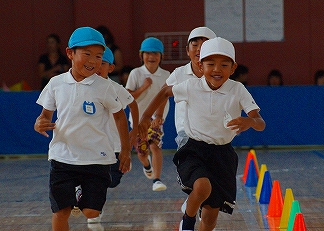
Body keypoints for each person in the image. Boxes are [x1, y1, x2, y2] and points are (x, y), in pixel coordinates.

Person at [138, 37, 266, 231]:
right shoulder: (191, 87)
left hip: (223, 155)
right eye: (210, 64)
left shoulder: (237, 90)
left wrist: (249, 121)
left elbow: (260, 123)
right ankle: (187, 222)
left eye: (224, 65)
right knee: (202, 187)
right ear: (200, 65)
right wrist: (146, 116)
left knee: (210, 215)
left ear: (233, 68)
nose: (217, 69)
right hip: (194, 149)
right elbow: (165, 92)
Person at [34, 27, 131, 231]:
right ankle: (72, 197)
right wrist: (39, 123)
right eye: (87, 54)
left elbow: (120, 116)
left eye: (98, 56)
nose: (93, 61)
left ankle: (79, 195)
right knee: (61, 211)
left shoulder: (104, 86)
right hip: (63, 157)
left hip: (96, 158)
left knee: (91, 212)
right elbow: (44, 116)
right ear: (70, 53)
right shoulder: (56, 83)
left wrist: (125, 150)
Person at [85, 48, 138, 224]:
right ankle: (94, 208)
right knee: (95, 178)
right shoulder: (86, 87)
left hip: (115, 145)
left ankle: (91, 199)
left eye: (103, 63)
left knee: (112, 181)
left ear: (111, 67)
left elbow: (133, 104)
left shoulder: (116, 89)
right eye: (96, 63)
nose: (98, 67)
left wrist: (135, 129)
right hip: (94, 145)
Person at [125, 37, 170, 192]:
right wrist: (143, 87)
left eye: (156, 53)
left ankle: (156, 179)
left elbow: (166, 97)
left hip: (156, 119)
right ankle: (146, 165)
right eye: (148, 53)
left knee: (155, 146)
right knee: (142, 151)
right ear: (141, 55)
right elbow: (128, 97)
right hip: (137, 119)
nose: (151, 57)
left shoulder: (166, 75)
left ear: (161, 56)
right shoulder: (136, 73)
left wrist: (159, 116)